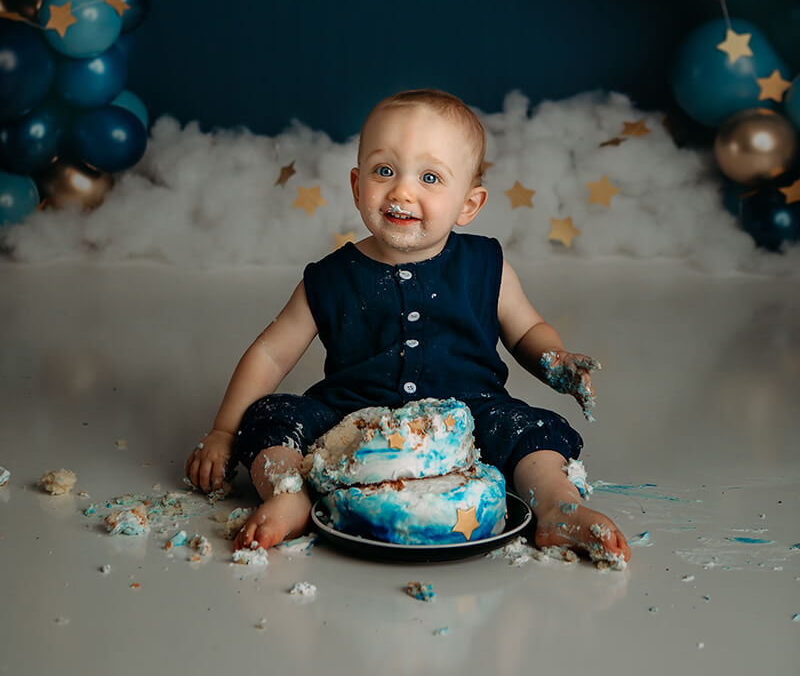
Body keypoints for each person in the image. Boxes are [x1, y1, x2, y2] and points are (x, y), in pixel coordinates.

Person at [185, 88, 631, 567]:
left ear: (468, 204)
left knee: (534, 432)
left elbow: (526, 332)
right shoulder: (331, 278)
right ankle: (290, 494)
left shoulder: (485, 266)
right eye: (384, 171)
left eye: (430, 177)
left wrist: (555, 360)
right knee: (272, 419)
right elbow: (271, 354)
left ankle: (556, 507)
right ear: (357, 186)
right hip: (351, 418)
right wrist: (223, 431)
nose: (401, 191)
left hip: (471, 413)